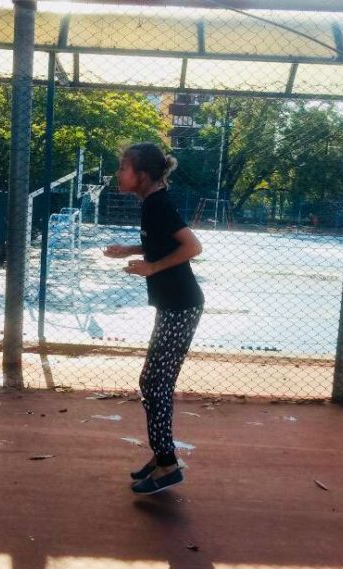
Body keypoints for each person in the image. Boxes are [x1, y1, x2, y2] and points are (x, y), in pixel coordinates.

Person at [104, 142, 204, 495]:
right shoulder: (150, 203)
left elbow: (192, 246)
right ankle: (162, 457)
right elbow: (161, 242)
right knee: (153, 382)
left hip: (181, 306)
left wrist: (152, 268)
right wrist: (129, 250)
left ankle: (168, 463)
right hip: (173, 305)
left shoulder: (158, 203)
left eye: (123, 168)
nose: (119, 174)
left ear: (142, 175)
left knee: (155, 384)